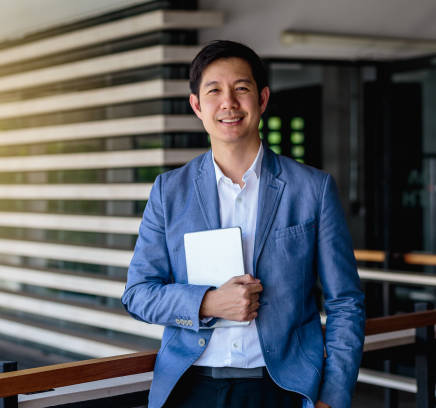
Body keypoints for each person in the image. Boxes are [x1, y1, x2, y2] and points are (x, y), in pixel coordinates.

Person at [121, 40, 365, 408]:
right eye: (214, 90)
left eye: (242, 89)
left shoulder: (312, 189)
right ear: (196, 106)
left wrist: (333, 395)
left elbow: (345, 301)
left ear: (263, 99)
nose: (229, 103)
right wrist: (208, 303)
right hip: (191, 389)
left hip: (282, 389)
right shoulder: (169, 192)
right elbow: (138, 294)